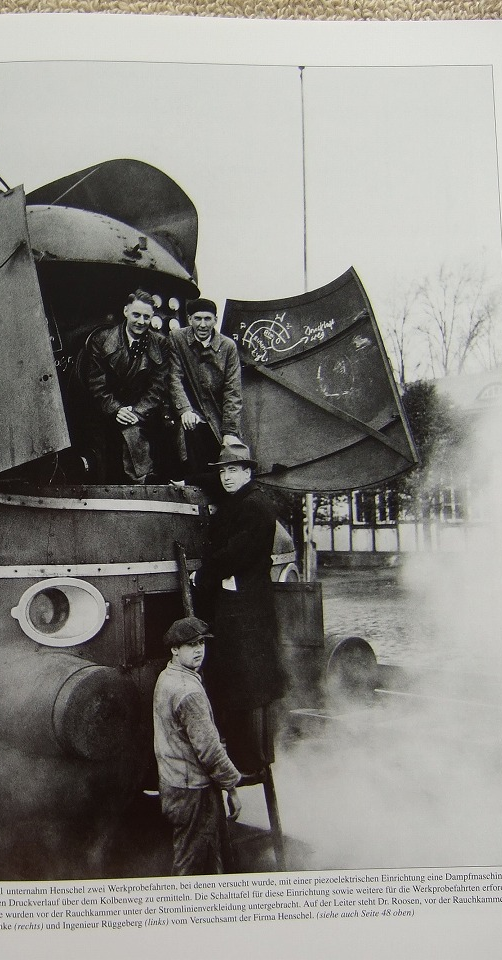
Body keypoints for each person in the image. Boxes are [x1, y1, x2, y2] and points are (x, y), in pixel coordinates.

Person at [193, 441, 288, 775]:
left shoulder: (255, 507)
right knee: (240, 683)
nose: (226, 478)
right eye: (222, 472)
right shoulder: (243, 500)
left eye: (233, 470)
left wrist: (201, 574)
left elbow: (236, 553)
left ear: (248, 472)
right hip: (239, 607)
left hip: (246, 610)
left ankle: (249, 760)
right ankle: (245, 755)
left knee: (244, 686)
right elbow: (213, 484)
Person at [153, 617, 242, 875]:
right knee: (191, 863)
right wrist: (231, 787)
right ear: (174, 649)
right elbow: (209, 750)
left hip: (174, 782)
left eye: (201, 642)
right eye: (191, 645)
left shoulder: (167, 676)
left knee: (202, 857)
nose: (199, 650)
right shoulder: (187, 691)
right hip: (193, 790)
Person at [81, 289, 174, 482]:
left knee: (143, 447)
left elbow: (158, 386)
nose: (141, 321)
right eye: (136, 315)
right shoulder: (102, 340)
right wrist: (117, 409)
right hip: (107, 411)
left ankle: (144, 483)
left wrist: (136, 413)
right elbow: (97, 384)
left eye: (146, 317)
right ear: (125, 312)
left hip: (143, 412)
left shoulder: (161, 343)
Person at [168, 298, 243, 484]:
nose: (203, 324)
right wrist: (185, 409)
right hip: (190, 415)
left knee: (225, 466)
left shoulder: (227, 347)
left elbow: (232, 391)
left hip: (216, 416)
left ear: (215, 320)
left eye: (208, 319)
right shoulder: (177, 339)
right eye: (198, 318)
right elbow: (174, 376)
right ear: (189, 319)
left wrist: (229, 431)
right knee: (186, 456)